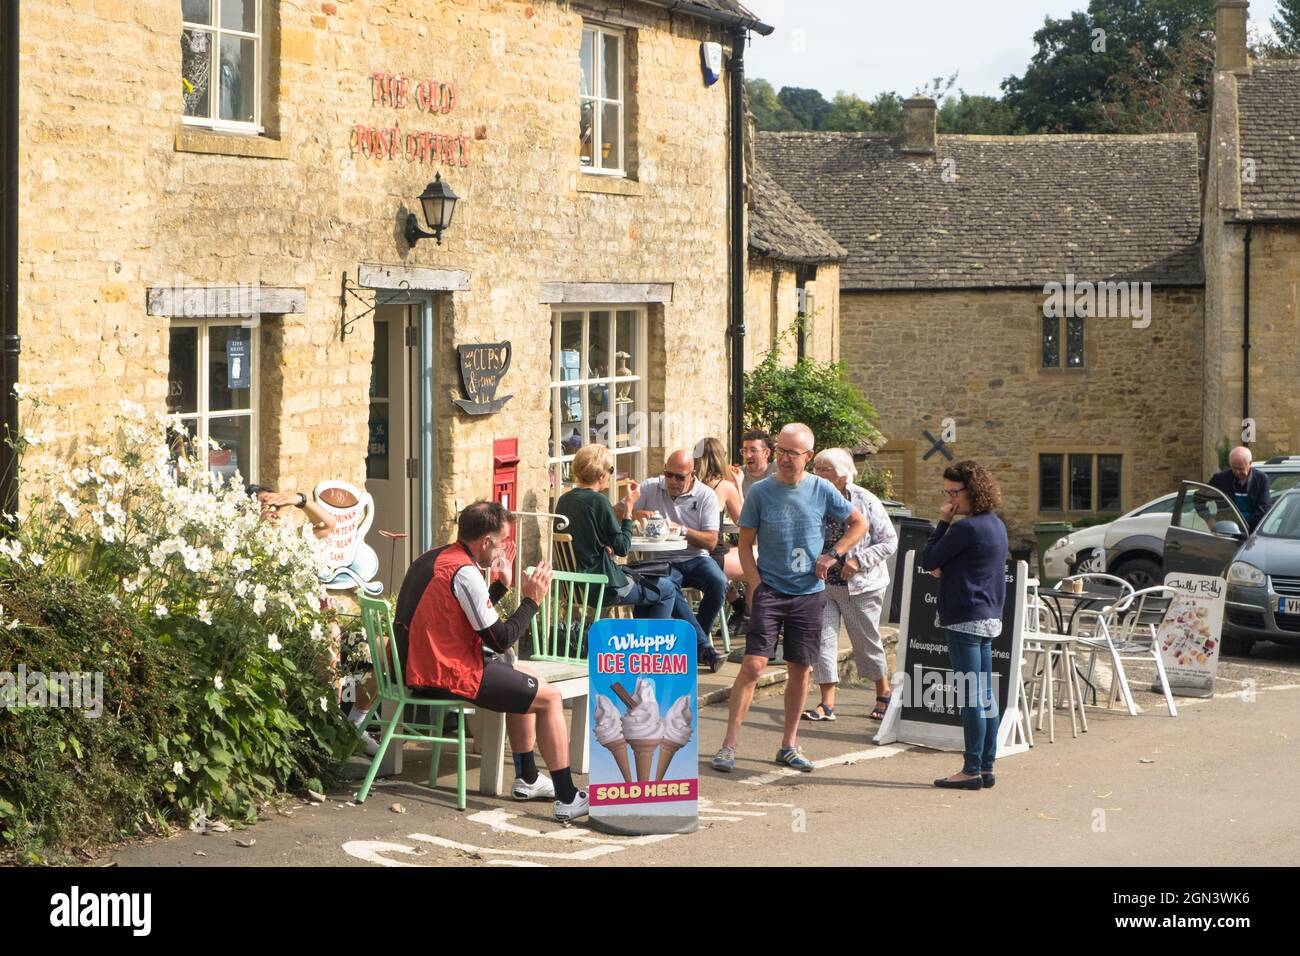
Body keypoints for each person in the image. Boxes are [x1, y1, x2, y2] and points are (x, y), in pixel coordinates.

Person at [394, 502, 589, 822]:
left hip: (422, 664)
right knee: (550, 698)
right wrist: (532, 600)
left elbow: (466, 616)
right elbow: (499, 638)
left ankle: (527, 778)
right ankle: (567, 797)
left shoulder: (438, 556)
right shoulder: (465, 572)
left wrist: (501, 585)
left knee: (527, 678)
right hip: (441, 673)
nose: (504, 549)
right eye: (502, 542)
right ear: (485, 541)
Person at [711, 423, 869, 773]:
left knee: (801, 669)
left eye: (791, 453)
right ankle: (728, 745)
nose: (783, 458)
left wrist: (834, 554)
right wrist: (753, 583)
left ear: (808, 457)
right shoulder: (761, 493)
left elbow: (859, 523)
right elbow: (745, 543)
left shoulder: (822, 489)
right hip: (771, 590)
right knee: (753, 665)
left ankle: (788, 745)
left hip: (809, 594)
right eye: (779, 451)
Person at [919, 460, 1009, 791]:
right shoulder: (995, 524)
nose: (949, 501)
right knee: (984, 694)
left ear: (972, 491)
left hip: (965, 617)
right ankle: (985, 767)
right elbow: (972, 565)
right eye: (946, 494)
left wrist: (942, 522)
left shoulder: (966, 528)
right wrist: (948, 567)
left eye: (954, 493)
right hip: (988, 615)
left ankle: (971, 769)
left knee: (972, 695)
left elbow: (928, 558)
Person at [801, 449, 898, 723]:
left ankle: (883, 692)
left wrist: (858, 561)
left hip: (860, 585)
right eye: (816, 468)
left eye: (825, 469)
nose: (817, 474)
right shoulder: (814, 498)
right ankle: (827, 703)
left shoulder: (864, 500)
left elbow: (889, 541)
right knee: (823, 641)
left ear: (842, 474)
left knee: (865, 641)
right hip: (823, 585)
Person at [554, 444, 696, 630]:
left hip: (573, 586)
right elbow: (622, 546)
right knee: (667, 589)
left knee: (649, 586)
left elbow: (587, 536)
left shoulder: (564, 500)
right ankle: (649, 650)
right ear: (601, 474)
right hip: (601, 586)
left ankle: (637, 643)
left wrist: (603, 545)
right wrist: (629, 508)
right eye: (610, 470)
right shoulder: (598, 501)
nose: (610, 475)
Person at [634, 449, 726, 672]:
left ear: (692, 474)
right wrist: (635, 513)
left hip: (695, 557)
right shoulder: (650, 487)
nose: (673, 481)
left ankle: (693, 642)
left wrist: (681, 530)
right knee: (668, 586)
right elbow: (619, 511)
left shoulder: (705, 495)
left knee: (719, 582)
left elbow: (712, 542)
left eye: (680, 477)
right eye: (669, 474)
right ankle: (703, 647)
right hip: (663, 560)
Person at [1208, 446, 1273, 531]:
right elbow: (1199, 497)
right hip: (1225, 530)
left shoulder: (1261, 479)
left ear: (1250, 463)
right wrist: (1209, 518)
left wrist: (1243, 525)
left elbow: (1264, 508)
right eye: (1234, 468)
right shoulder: (1220, 479)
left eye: (1241, 469)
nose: (1237, 472)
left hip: (1252, 531)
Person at [738, 429, 777, 495]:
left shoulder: (778, 471)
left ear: (767, 453)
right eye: (745, 451)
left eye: (753, 450)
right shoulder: (738, 475)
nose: (748, 455)